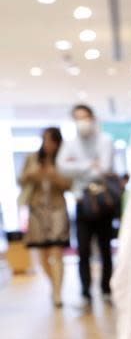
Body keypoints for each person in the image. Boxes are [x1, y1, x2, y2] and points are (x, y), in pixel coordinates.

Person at [57, 104, 115, 305]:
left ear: (92, 117)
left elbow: (104, 169)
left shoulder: (105, 140)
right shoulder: (71, 143)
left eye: (85, 117)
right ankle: (85, 293)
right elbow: (62, 168)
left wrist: (78, 167)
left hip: (102, 202)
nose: (82, 122)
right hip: (82, 202)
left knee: (105, 249)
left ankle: (106, 289)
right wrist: (90, 164)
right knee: (83, 250)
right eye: (77, 118)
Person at [18, 127, 72, 307]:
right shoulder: (32, 159)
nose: (49, 144)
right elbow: (21, 180)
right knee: (43, 254)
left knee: (57, 251)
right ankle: (52, 285)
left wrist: (54, 175)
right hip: (36, 209)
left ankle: (58, 293)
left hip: (57, 208)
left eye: (53, 141)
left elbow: (69, 185)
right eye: (46, 140)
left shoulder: (62, 161)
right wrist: (32, 173)